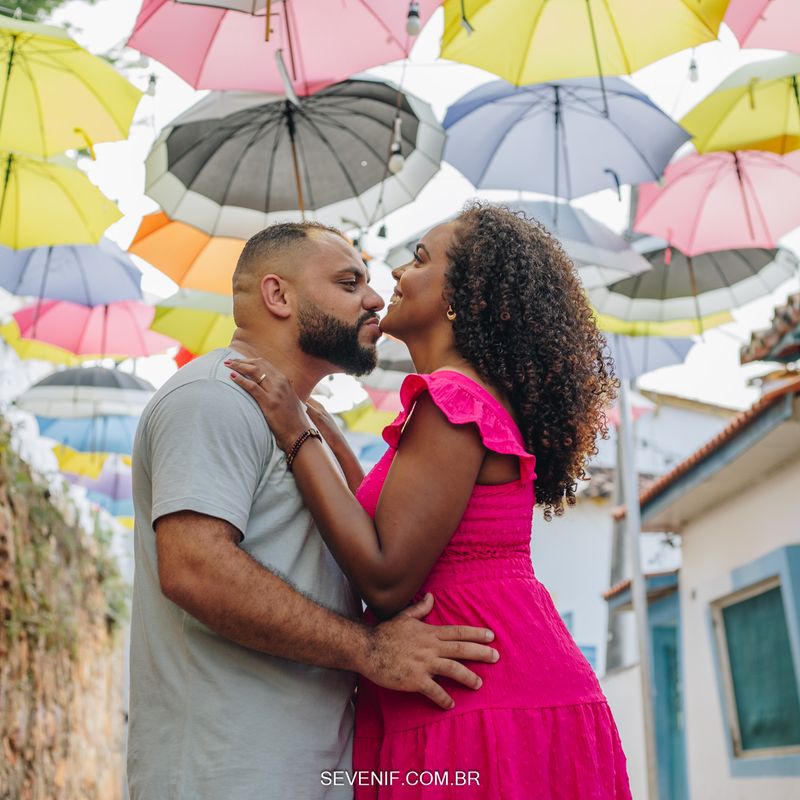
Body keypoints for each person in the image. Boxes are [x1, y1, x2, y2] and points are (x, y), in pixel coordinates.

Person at [228, 202, 633, 799]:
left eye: (419, 259)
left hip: (480, 701)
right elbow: (397, 520)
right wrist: (332, 446)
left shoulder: (451, 402)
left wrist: (297, 434)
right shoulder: (455, 402)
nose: (395, 274)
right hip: (482, 685)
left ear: (463, 299)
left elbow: (387, 577)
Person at [126, 221, 501, 800]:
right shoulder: (212, 397)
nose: (376, 299)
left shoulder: (300, 424)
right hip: (225, 773)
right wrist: (369, 650)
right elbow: (193, 567)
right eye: (350, 282)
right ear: (279, 296)